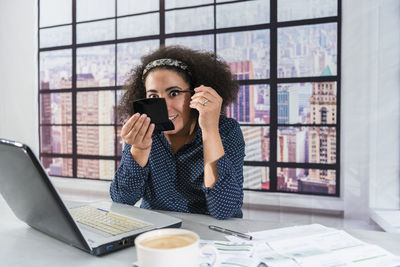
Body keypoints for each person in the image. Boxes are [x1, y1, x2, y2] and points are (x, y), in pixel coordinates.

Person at [110, 46, 245, 220]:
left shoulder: (226, 131)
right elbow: (122, 201)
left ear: (195, 94)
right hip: (158, 234)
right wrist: (139, 149)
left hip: (212, 237)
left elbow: (224, 210)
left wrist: (210, 131)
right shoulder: (143, 132)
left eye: (174, 93)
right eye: (153, 96)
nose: (164, 106)